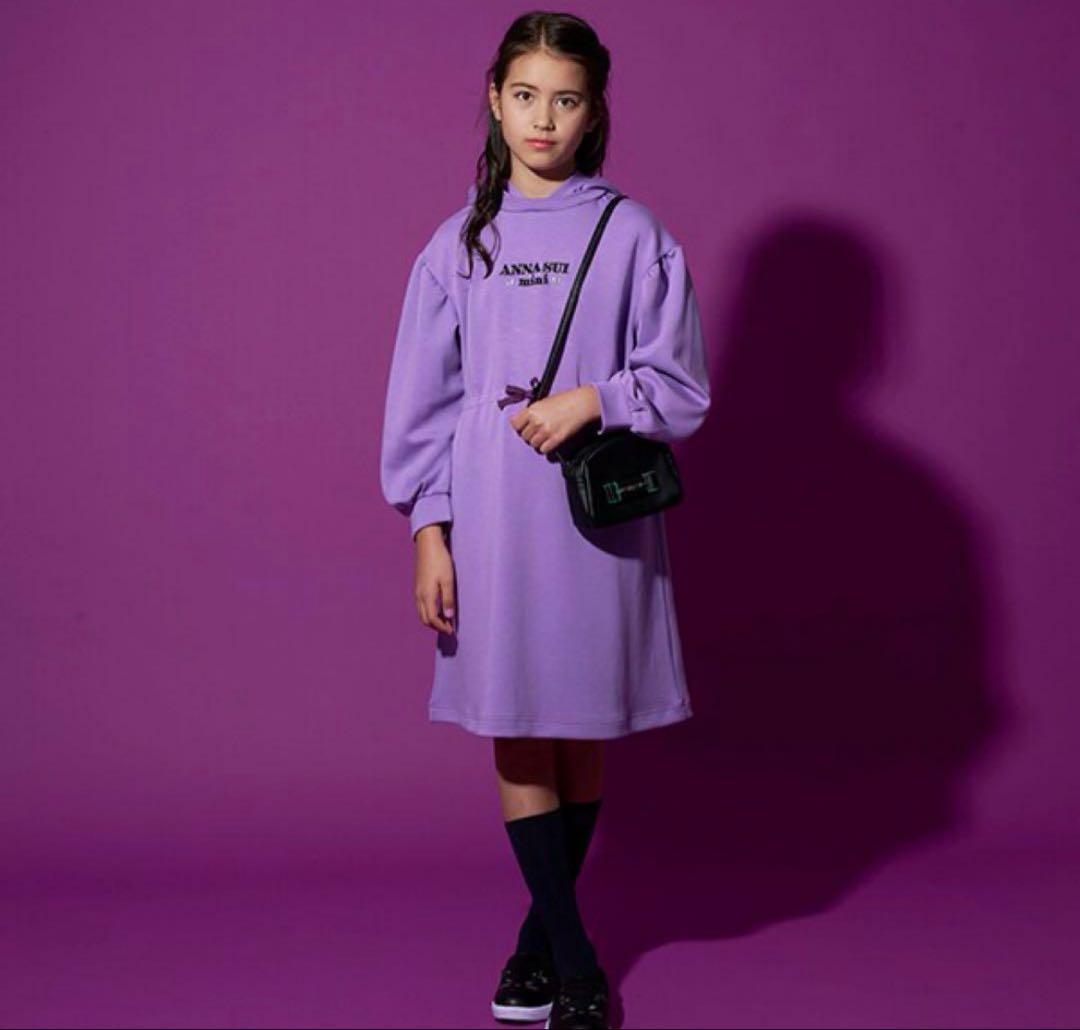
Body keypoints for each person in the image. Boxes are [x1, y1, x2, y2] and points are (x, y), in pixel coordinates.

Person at [379, 11, 711, 1029]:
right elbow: (423, 406)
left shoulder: (635, 234)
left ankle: (538, 944)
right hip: (492, 524)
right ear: (495, 100)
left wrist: (594, 399)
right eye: (525, 95)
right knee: (518, 726)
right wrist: (429, 530)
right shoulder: (458, 245)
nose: (543, 118)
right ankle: (574, 962)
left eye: (566, 100)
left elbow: (681, 385)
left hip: (597, 522)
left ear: (593, 111)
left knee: (582, 722)